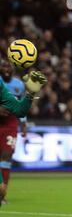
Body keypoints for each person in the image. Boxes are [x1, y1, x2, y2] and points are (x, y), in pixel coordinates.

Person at [0, 67, 47, 205]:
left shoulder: (2, 87)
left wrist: (30, 93)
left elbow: (20, 110)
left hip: (9, 124)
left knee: (1, 189)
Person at [0, 59, 27, 205]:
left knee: (6, 156)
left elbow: (22, 105)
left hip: (11, 124)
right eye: (3, 65)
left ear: (13, 69)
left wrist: (23, 123)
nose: (6, 69)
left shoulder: (19, 85)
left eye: (8, 66)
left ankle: (2, 194)